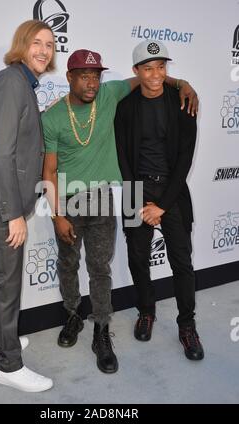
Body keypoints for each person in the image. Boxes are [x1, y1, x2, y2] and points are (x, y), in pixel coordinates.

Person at [42, 48, 199, 373]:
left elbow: (184, 156)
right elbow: (54, 171)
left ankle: (168, 327)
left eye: (95, 75)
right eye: (83, 75)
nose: (91, 82)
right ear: (69, 77)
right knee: (108, 261)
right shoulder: (73, 113)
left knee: (160, 263)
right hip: (107, 195)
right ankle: (108, 314)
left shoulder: (161, 99)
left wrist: (182, 82)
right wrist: (57, 213)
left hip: (141, 194)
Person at [0, 20, 55, 392]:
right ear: (21, 44)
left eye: (50, 45)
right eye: (37, 43)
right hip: (0, 206)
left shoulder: (22, 83)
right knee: (6, 284)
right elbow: (1, 154)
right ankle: (9, 365)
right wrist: (13, 214)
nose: (44, 50)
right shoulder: (11, 83)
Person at [114, 40, 204, 361]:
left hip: (172, 192)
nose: (155, 74)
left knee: (182, 262)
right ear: (136, 72)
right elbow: (123, 158)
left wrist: (161, 206)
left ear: (167, 70)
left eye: (161, 67)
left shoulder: (184, 102)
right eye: (148, 68)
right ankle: (146, 312)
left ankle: (187, 325)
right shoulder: (124, 108)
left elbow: (185, 159)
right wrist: (139, 202)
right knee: (138, 259)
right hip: (135, 191)